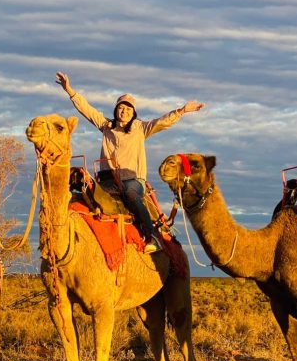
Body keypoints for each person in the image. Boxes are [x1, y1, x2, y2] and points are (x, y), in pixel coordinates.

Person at [56, 71, 204, 253]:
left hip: (132, 181)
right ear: (116, 110)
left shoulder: (141, 128)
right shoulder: (106, 127)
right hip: (107, 180)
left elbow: (163, 122)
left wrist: (181, 111)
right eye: (121, 107)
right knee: (80, 187)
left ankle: (152, 237)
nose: (124, 111)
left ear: (133, 112)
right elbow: (87, 109)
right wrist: (69, 90)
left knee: (130, 194)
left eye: (128, 108)